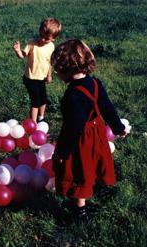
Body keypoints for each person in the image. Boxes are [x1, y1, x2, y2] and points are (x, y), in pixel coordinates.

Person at [50, 39, 129, 221]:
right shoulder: (95, 83)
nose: (55, 72)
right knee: (92, 161)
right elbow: (107, 108)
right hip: (97, 132)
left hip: (81, 139)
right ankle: (88, 195)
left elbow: (74, 127)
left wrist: (63, 151)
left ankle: (80, 211)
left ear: (67, 68)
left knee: (79, 168)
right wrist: (118, 128)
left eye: (58, 68)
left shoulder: (72, 95)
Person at [13, 18, 62, 123]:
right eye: (41, 35)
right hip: (30, 78)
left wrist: (49, 75)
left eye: (46, 38)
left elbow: (50, 62)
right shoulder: (32, 44)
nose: (42, 39)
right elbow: (22, 55)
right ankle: (33, 122)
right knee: (35, 101)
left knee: (43, 99)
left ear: (53, 39)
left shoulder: (51, 46)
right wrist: (18, 51)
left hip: (42, 78)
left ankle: (41, 118)